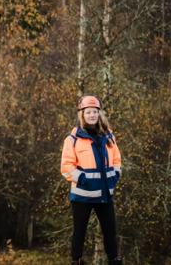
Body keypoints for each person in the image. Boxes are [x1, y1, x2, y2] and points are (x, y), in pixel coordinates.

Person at [60, 95, 122, 265]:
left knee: (110, 231)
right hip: (82, 196)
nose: (92, 115)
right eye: (88, 112)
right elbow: (66, 167)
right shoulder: (72, 140)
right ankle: (77, 261)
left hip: (105, 193)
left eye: (95, 112)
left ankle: (114, 260)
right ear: (82, 114)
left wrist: (116, 174)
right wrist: (83, 179)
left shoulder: (109, 137)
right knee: (79, 233)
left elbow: (116, 159)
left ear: (99, 114)